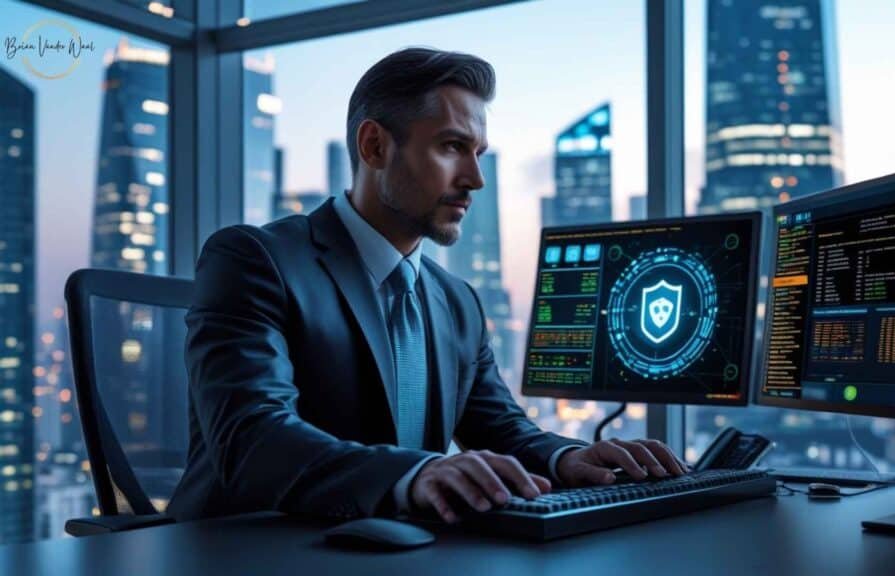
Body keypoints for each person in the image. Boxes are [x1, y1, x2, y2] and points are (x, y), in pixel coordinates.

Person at [168, 47, 687, 524]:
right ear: (374, 146)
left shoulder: (456, 302)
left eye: (478, 152)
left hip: (391, 554)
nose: (475, 179)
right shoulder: (255, 259)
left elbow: (501, 428)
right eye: (452, 147)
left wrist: (569, 458)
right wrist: (413, 475)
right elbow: (252, 438)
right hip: (245, 548)